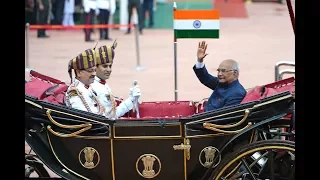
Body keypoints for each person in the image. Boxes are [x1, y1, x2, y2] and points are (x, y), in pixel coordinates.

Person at [91, 40, 142, 119]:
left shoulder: (101, 83)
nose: (109, 70)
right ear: (95, 67)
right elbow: (111, 117)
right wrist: (131, 100)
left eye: (110, 66)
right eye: (104, 66)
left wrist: (132, 99)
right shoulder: (94, 87)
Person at [193, 41, 246, 112]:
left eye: (223, 71)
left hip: (209, 121)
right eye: (218, 71)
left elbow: (223, 117)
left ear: (235, 73)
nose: (220, 74)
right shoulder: (222, 83)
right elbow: (205, 78)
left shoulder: (237, 94)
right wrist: (200, 60)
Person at [65, 48, 107, 116]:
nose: (94, 74)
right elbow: (83, 116)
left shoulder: (88, 87)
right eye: (90, 71)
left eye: (95, 70)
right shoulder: (75, 92)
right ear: (79, 73)